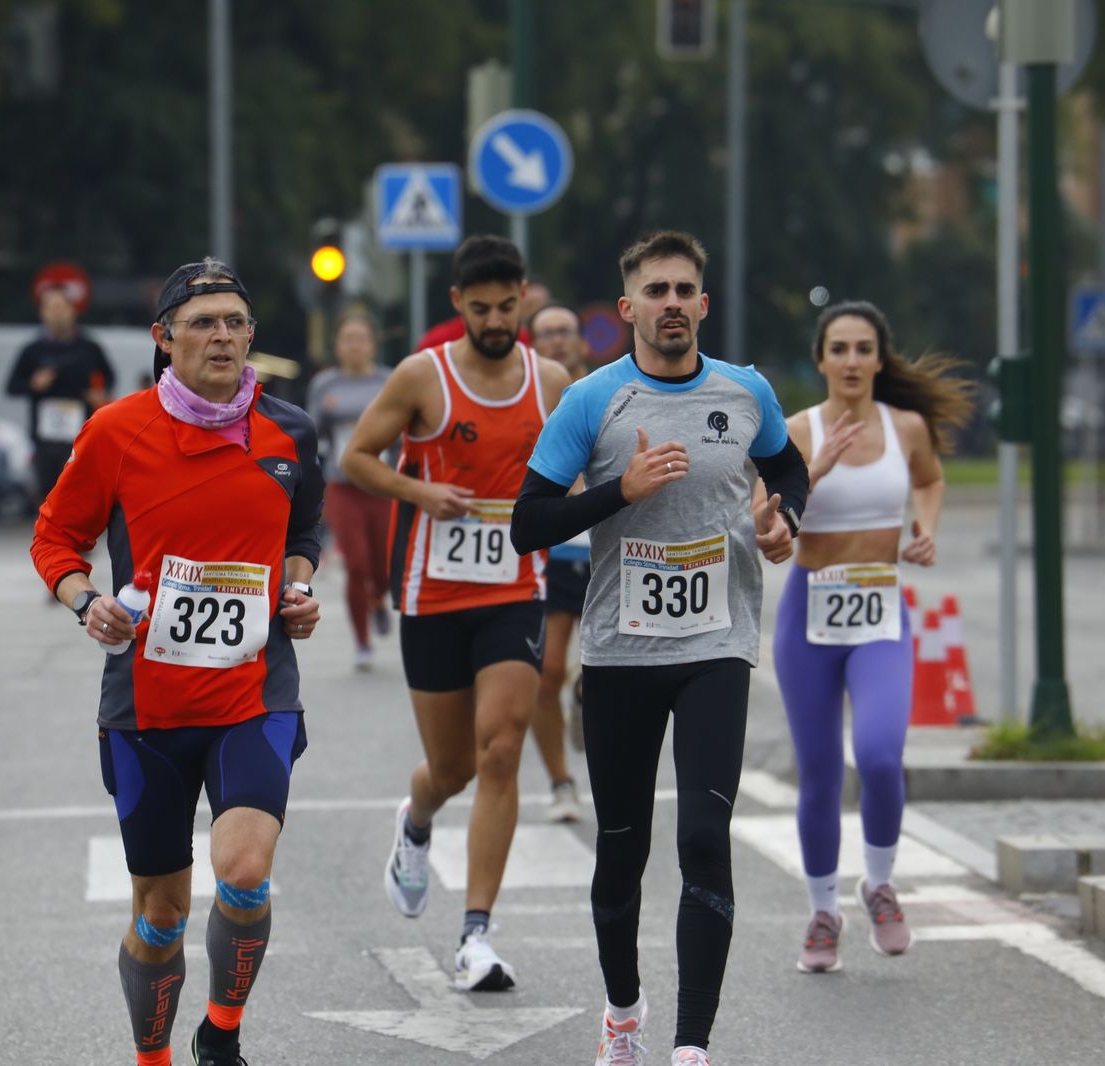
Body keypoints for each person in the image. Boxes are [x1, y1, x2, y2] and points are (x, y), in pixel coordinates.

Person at [512, 231, 808, 1066]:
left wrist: (784, 517)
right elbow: (527, 523)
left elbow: (788, 469)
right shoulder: (592, 401)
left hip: (717, 643)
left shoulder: (745, 391)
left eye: (684, 290)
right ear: (628, 309)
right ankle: (623, 1012)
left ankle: (691, 1046)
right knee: (622, 849)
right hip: (620, 653)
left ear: (702, 305)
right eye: (656, 291)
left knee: (705, 840)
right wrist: (620, 490)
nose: (671, 303)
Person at [31, 257, 324, 1066]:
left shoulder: (291, 431)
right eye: (202, 323)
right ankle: (153, 1056)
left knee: (245, 870)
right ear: (164, 338)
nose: (222, 336)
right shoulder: (115, 431)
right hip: (147, 705)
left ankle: (221, 1035)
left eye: (235, 322)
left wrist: (298, 586)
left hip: (255, 690)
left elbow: (304, 529)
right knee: (160, 915)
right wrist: (85, 600)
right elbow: (55, 537)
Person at [343, 235, 571, 992]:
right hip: (433, 594)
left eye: (507, 307)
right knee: (453, 767)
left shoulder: (551, 382)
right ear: (457, 305)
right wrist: (421, 492)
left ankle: (476, 934)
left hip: (515, 589)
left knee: (501, 748)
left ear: (524, 298)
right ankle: (416, 819)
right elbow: (356, 457)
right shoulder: (423, 376)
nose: (496, 321)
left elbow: (582, 471)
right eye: (481, 309)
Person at [771, 301, 972, 974]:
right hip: (809, 614)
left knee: (881, 755)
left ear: (880, 360)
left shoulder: (905, 426)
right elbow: (764, 518)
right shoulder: (796, 431)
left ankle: (879, 884)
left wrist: (925, 528)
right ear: (820, 359)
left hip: (880, 610)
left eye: (864, 349)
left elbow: (931, 479)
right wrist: (816, 469)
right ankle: (823, 911)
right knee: (820, 770)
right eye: (840, 349)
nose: (852, 361)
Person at [527, 303, 592, 823]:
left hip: (609, 550)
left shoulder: (610, 391)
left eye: (565, 331)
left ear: (581, 341)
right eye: (546, 333)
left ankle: (586, 694)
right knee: (546, 672)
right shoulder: (525, 398)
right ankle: (560, 782)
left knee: (608, 671)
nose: (557, 341)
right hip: (552, 552)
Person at [307, 311, 394, 670]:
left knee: (384, 564)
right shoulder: (325, 384)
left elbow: (405, 427)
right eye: (348, 339)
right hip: (342, 483)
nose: (355, 346)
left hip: (383, 481)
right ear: (337, 346)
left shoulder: (390, 380)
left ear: (373, 344)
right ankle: (362, 641)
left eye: (361, 339)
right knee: (356, 562)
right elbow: (312, 433)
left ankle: (379, 598)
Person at [5, 284, 116, 506]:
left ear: (72, 310)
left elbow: (109, 378)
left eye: (61, 307)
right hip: (45, 438)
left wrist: (99, 394)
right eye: (51, 308)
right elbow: (12, 387)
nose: (57, 313)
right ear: (42, 313)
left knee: (80, 493)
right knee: (48, 496)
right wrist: (33, 384)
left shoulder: (89, 348)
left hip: (81, 434)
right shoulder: (33, 350)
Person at [417, 279, 550, 351]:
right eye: (481, 309)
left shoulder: (529, 342)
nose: (494, 323)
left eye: (505, 308)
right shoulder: (437, 340)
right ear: (457, 299)